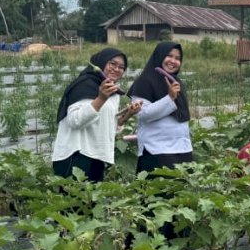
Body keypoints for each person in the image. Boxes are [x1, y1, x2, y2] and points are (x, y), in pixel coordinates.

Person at [52, 47, 142, 182]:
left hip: (96, 157)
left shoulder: (112, 92)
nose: (117, 69)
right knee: (74, 202)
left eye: (121, 67)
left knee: (92, 202)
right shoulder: (84, 85)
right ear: (102, 62)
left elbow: (107, 125)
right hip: (76, 156)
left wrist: (126, 116)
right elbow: (75, 121)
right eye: (112, 64)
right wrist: (101, 98)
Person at [129, 42, 193, 174]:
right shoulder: (144, 81)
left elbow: (182, 117)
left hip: (182, 150)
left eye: (177, 58)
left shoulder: (176, 82)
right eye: (169, 56)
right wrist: (169, 98)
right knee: (159, 192)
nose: (173, 61)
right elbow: (143, 114)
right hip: (156, 150)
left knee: (182, 192)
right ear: (159, 56)